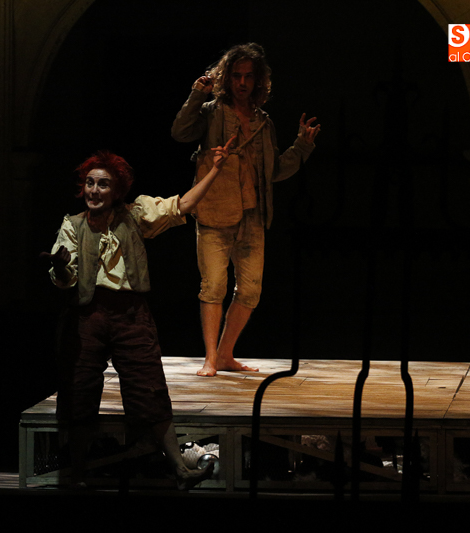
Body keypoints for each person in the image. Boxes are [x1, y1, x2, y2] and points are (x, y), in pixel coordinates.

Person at [41, 138, 234, 488]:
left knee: (149, 388)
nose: (94, 190)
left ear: (117, 191)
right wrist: (61, 266)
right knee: (79, 390)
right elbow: (64, 279)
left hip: (130, 314)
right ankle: (77, 473)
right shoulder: (73, 225)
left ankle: (180, 469)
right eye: (90, 183)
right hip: (86, 316)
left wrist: (215, 169)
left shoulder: (136, 214)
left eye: (103, 184)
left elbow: (183, 205)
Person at [171, 42, 321, 377]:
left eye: (248, 76)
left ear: (258, 80)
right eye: (236, 75)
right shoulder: (211, 112)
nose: (242, 82)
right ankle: (210, 358)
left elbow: (274, 171)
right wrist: (196, 95)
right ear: (227, 77)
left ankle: (226, 354)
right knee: (213, 286)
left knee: (251, 290)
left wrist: (302, 146)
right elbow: (180, 132)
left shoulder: (263, 122)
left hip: (253, 215)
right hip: (215, 211)